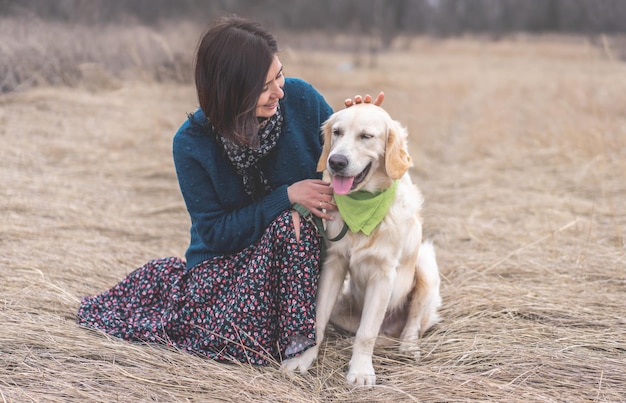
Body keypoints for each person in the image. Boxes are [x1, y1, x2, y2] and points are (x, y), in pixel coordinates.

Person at [77, 16, 382, 365]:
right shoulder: (191, 144)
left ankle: (297, 336)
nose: (279, 91)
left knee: (292, 229)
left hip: (293, 264)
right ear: (231, 91)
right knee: (280, 236)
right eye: (264, 86)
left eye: (279, 74)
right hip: (224, 267)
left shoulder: (300, 99)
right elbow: (215, 233)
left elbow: (340, 161)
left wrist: (358, 122)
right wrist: (286, 197)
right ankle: (284, 332)